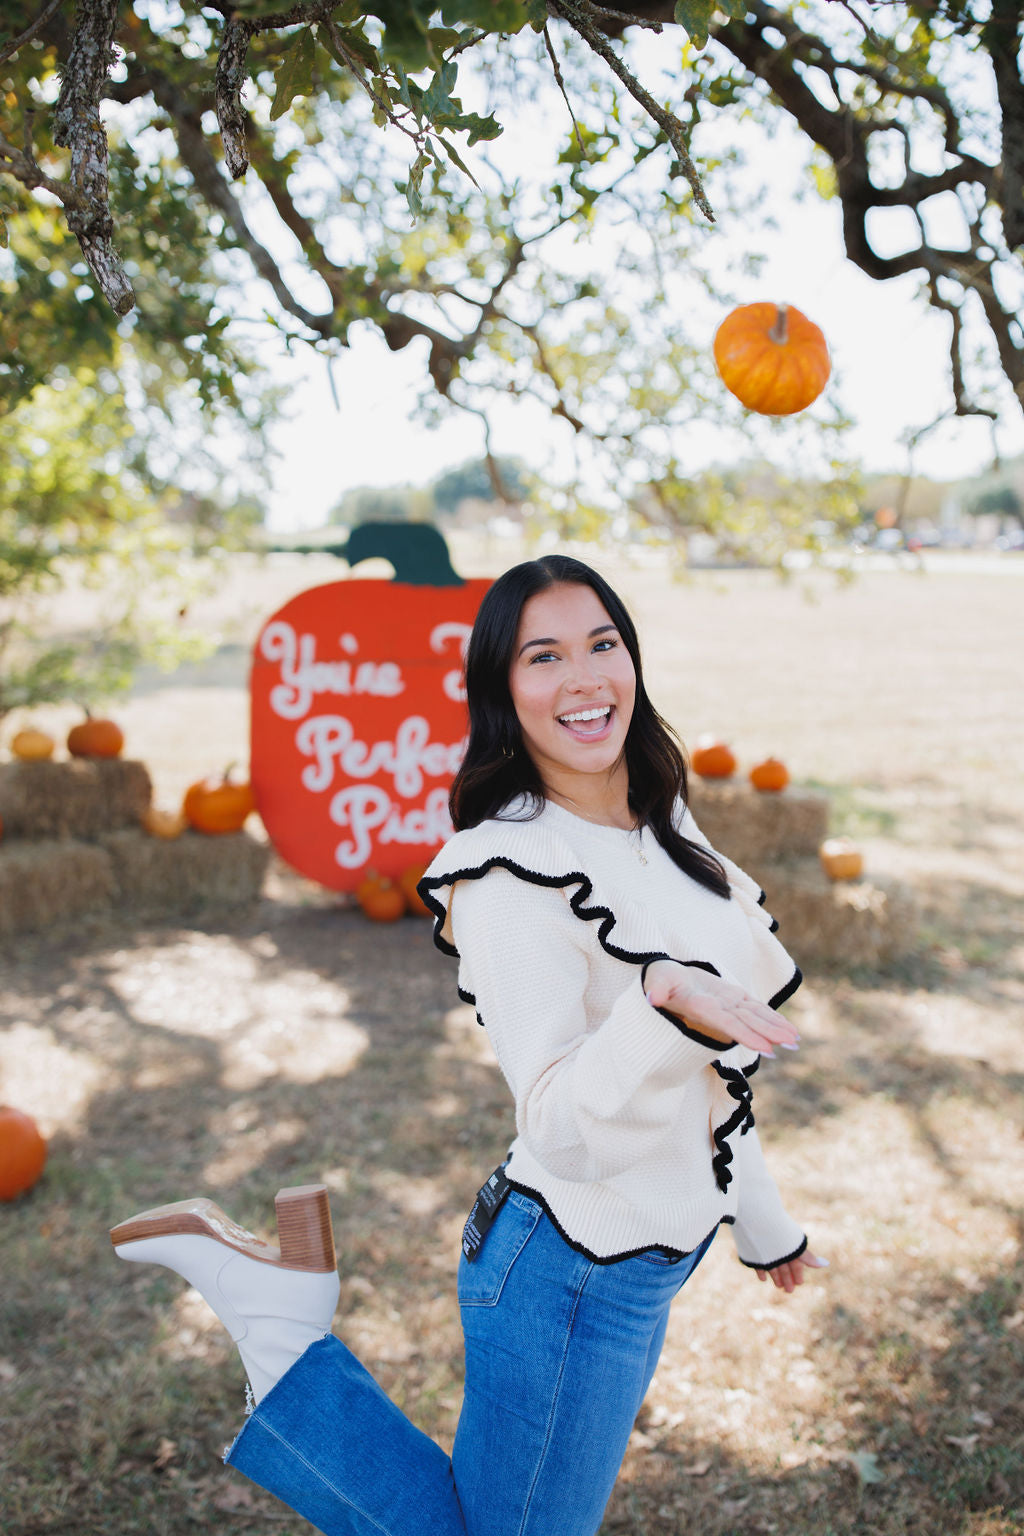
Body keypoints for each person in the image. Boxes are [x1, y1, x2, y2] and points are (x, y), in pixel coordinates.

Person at [110, 554, 827, 1536]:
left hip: (633, 1263)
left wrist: (762, 1222)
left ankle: (281, 1318)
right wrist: (655, 1005)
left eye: (602, 643)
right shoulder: (509, 868)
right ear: (500, 692)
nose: (583, 678)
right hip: (566, 1272)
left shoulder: (662, 824)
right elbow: (561, 1128)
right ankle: (281, 1341)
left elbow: (713, 1080)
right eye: (543, 657)